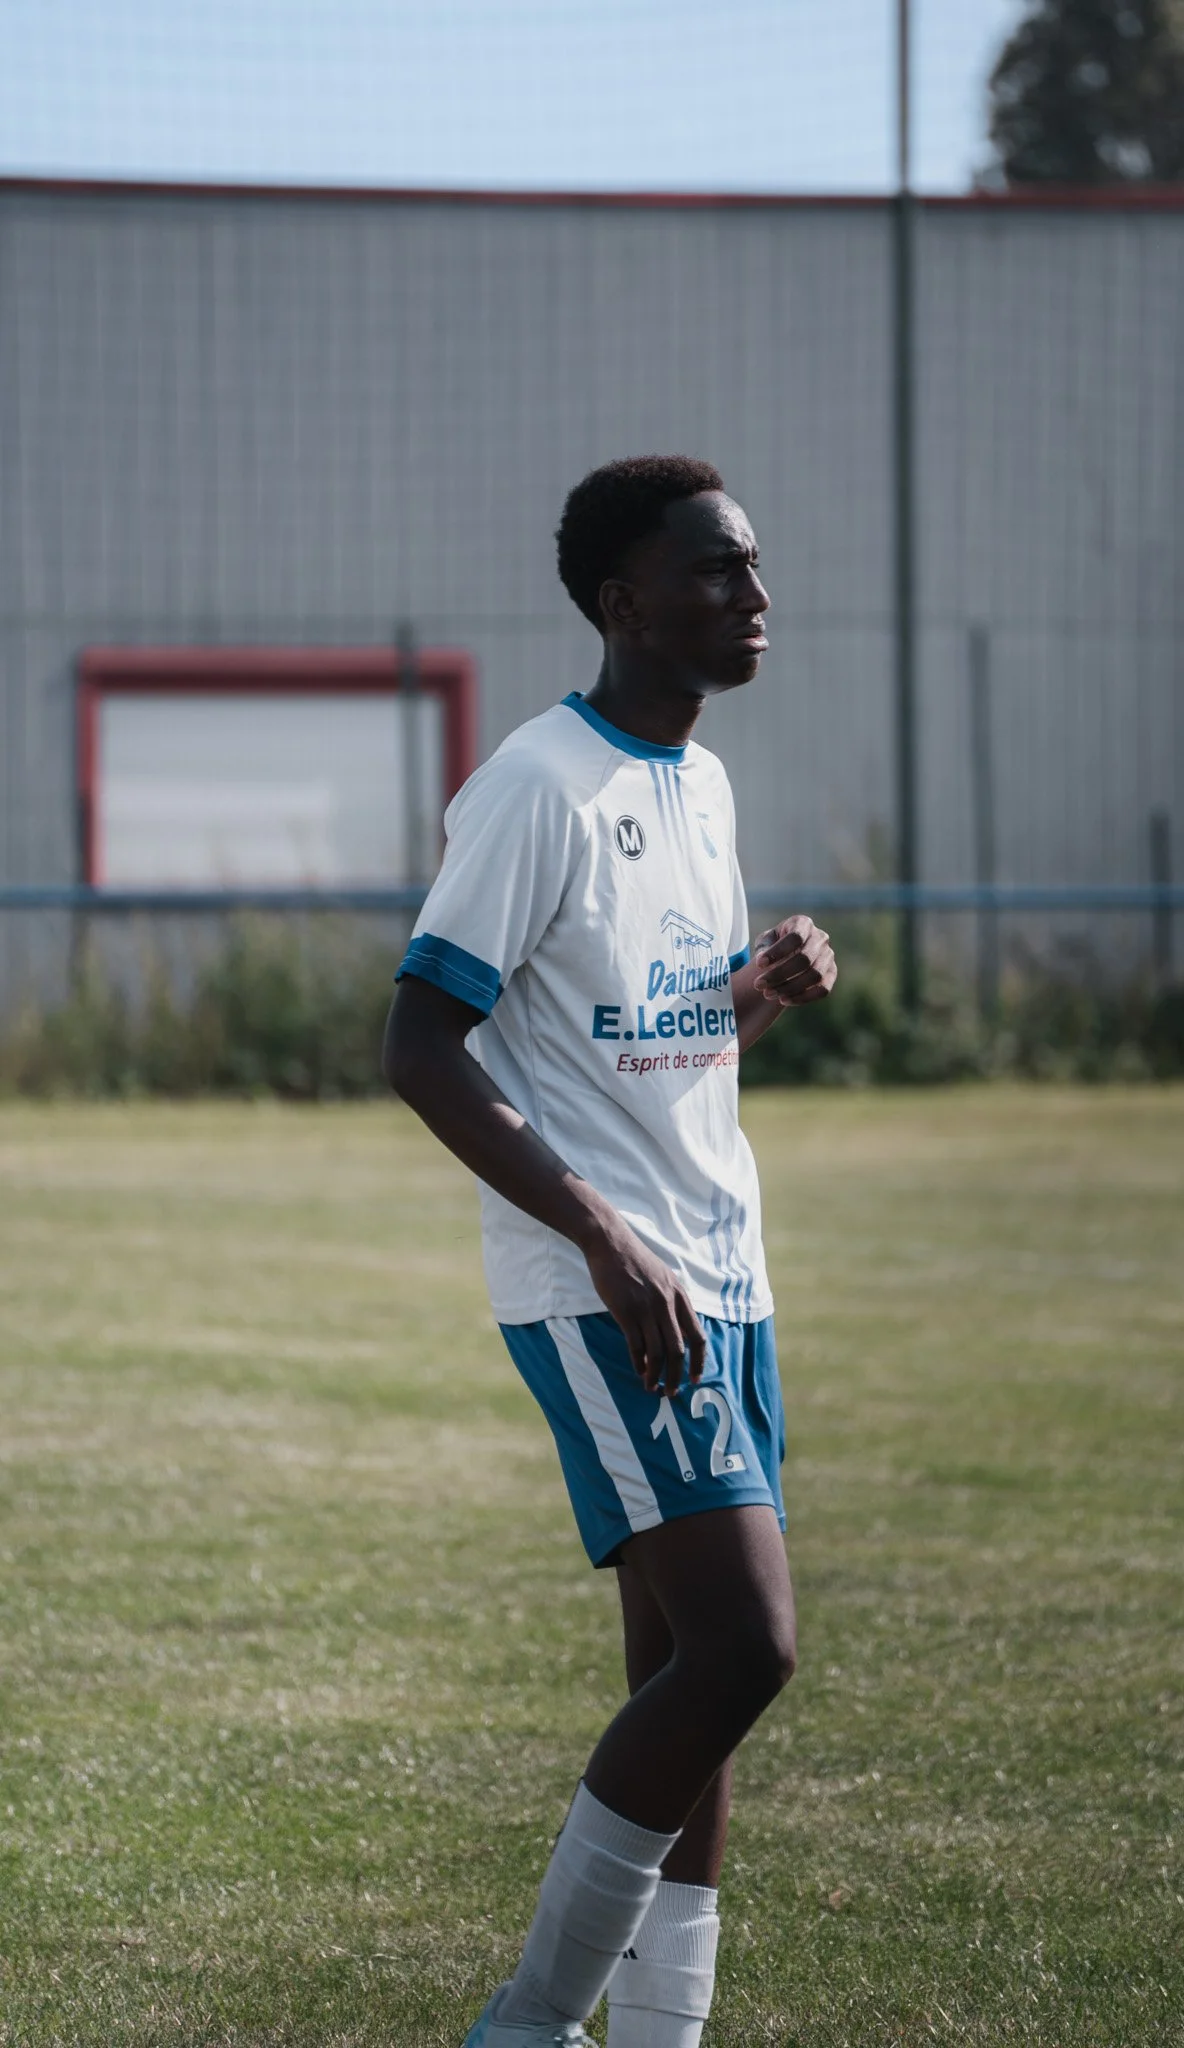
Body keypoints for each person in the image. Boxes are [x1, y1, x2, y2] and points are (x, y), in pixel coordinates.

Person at [383, 454, 838, 2048]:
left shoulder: (699, 787)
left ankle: (660, 2035)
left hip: (727, 1276)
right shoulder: (535, 785)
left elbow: (650, 1042)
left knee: (687, 1669)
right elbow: (424, 1042)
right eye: (716, 572)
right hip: (608, 1290)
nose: (754, 596)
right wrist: (601, 1241)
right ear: (620, 600)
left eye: (756, 567)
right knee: (745, 1646)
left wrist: (757, 990)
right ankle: (527, 2028)